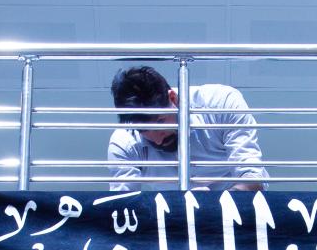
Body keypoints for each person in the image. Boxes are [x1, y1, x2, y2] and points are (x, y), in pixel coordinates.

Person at [107, 64, 265, 192]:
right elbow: (122, 205)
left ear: (173, 98)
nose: (158, 140)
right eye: (144, 130)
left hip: (235, 211)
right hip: (172, 218)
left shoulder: (222, 104)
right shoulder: (125, 142)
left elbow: (252, 178)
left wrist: (212, 206)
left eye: (160, 121)